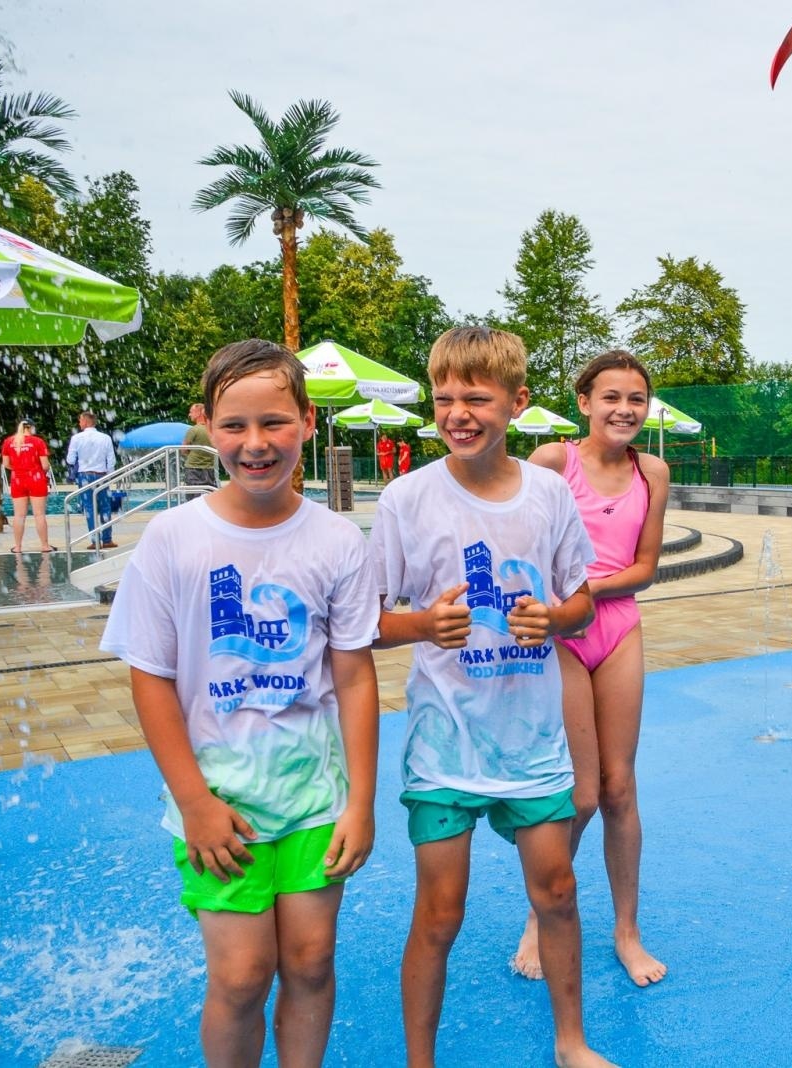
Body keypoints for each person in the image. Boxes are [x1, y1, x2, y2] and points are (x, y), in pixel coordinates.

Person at [99, 338, 381, 1068]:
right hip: (220, 802)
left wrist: (361, 801)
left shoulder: (337, 540)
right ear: (205, 424)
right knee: (241, 975)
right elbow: (150, 675)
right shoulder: (173, 538)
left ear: (308, 422)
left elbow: (353, 676)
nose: (255, 445)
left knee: (313, 962)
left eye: (274, 423)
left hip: (315, 799)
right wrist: (193, 801)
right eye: (234, 426)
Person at [370, 325, 612, 1068]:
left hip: (531, 743)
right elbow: (368, 623)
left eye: (476, 397)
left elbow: (581, 600)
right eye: (444, 398)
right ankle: (421, 1060)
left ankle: (571, 1041)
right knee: (440, 916)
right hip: (445, 745)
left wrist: (555, 617)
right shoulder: (407, 500)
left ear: (518, 402)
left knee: (559, 891)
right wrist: (420, 624)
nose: (458, 413)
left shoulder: (546, 495)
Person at [515, 351, 670, 988]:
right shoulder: (554, 462)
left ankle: (626, 930)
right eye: (610, 397)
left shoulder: (653, 471)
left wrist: (589, 590)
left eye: (635, 399)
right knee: (579, 792)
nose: (623, 409)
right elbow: (516, 538)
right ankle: (539, 913)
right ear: (584, 402)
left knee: (619, 788)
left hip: (615, 625)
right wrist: (558, 605)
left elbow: (646, 566)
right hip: (561, 634)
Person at [0, 418, 54, 553]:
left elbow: (6, 464)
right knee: (39, 515)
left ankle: (17, 547)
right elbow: (45, 465)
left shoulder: (9, 442)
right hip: (36, 479)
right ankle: (45, 546)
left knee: (19, 515)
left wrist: (19, 469)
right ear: (31, 428)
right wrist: (35, 470)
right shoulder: (38, 442)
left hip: (17, 480)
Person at [66, 410, 118, 549]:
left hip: (85, 475)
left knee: (89, 508)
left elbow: (70, 460)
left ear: (86, 421)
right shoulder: (105, 437)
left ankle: (95, 541)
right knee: (105, 507)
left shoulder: (77, 438)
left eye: (80, 420)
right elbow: (111, 459)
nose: (79, 423)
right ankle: (107, 539)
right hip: (101, 474)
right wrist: (109, 475)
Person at [183, 401, 219, 490]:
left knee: (193, 494)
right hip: (210, 468)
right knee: (209, 492)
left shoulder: (194, 430)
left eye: (191, 412)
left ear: (199, 413)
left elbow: (184, 449)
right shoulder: (212, 430)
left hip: (193, 468)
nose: (189, 415)